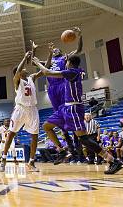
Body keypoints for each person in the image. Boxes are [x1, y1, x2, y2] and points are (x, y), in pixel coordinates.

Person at [32, 55, 123, 174]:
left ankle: (112, 160)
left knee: (84, 139)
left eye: (66, 62)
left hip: (73, 108)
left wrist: (38, 62)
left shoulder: (72, 72)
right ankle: (61, 150)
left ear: (69, 63)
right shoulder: (73, 71)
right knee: (46, 127)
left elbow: (46, 72)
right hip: (64, 107)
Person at [33, 29, 83, 159]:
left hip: (62, 85)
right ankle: (67, 145)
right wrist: (44, 53)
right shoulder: (49, 60)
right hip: (52, 89)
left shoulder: (65, 58)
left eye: (57, 49)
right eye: (54, 50)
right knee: (59, 116)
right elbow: (37, 63)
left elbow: (78, 49)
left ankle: (75, 144)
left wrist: (80, 37)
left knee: (67, 114)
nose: (56, 50)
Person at [0, 51, 42, 172]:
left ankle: (31, 162)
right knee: (11, 134)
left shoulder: (31, 78)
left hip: (32, 109)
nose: (25, 69)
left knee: (35, 137)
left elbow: (44, 70)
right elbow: (18, 71)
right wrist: (24, 57)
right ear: (18, 73)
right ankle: (3, 159)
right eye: (23, 69)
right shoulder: (17, 81)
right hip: (20, 109)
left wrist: (49, 55)